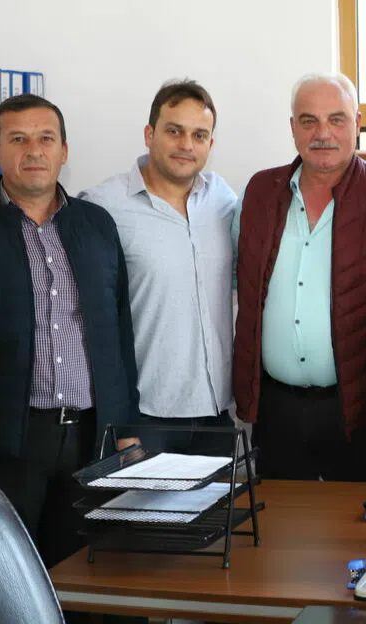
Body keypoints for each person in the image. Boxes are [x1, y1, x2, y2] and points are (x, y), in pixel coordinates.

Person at [0, 93, 140, 568]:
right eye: (18, 139)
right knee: (6, 574)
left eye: (46, 139)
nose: (34, 151)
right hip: (6, 443)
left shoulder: (97, 225)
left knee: (83, 573)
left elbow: (119, 333)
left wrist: (127, 431)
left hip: (91, 438)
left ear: (64, 151)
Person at [231, 73, 366, 481]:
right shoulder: (259, 192)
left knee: (355, 520)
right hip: (275, 410)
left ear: (357, 124)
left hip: (356, 413)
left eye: (337, 119)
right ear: (292, 127)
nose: (323, 134)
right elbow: (243, 287)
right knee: (276, 520)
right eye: (309, 121)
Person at [81, 79, 237, 456]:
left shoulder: (222, 200)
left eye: (199, 135)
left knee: (226, 499)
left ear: (211, 144)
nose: (186, 145)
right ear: (149, 134)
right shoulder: (103, 206)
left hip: (216, 414)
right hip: (143, 418)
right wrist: (119, 420)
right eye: (174, 131)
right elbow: (87, 319)